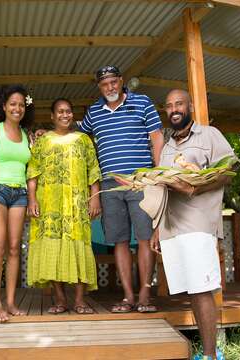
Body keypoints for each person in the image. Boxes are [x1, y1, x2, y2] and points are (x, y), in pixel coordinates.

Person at [151, 89, 235, 360]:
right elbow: (164, 187)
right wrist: (157, 227)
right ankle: (206, 352)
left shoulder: (210, 135)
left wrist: (196, 189)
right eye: (169, 105)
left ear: (190, 106)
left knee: (202, 289)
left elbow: (228, 172)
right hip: (172, 225)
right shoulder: (168, 145)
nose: (174, 109)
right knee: (192, 290)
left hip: (199, 221)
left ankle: (211, 355)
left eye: (179, 104)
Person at [79, 65, 164, 313]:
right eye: (105, 84)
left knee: (145, 239)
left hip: (140, 182)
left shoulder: (142, 102)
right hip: (109, 185)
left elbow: (157, 136)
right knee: (119, 241)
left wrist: (157, 173)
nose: (110, 88)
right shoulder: (94, 112)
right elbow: (79, 140)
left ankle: (145, 293)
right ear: (99, 87)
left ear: (121, 81)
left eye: (114, 82)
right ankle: (128, 296)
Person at [26, 98, 102, 314]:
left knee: (79, 247)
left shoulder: (83, 140)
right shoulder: (43, 141)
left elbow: (93, 170)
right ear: (52, 116)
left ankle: (79, 300)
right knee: (53, 250)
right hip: (49, 204)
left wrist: (95, 197)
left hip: (77, 204)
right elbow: (33, 171)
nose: (65, 115)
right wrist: (32, 199)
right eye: (60, 112)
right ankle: (60, 299)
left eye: (68, 111)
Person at [0, 84, 34, 322]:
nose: (17, 108)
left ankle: (11, 302)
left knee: (14, 249)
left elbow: (31, 166)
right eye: (13, 103)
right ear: (4, 106)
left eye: (21, 104)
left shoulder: (26, 135)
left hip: (20, 194)